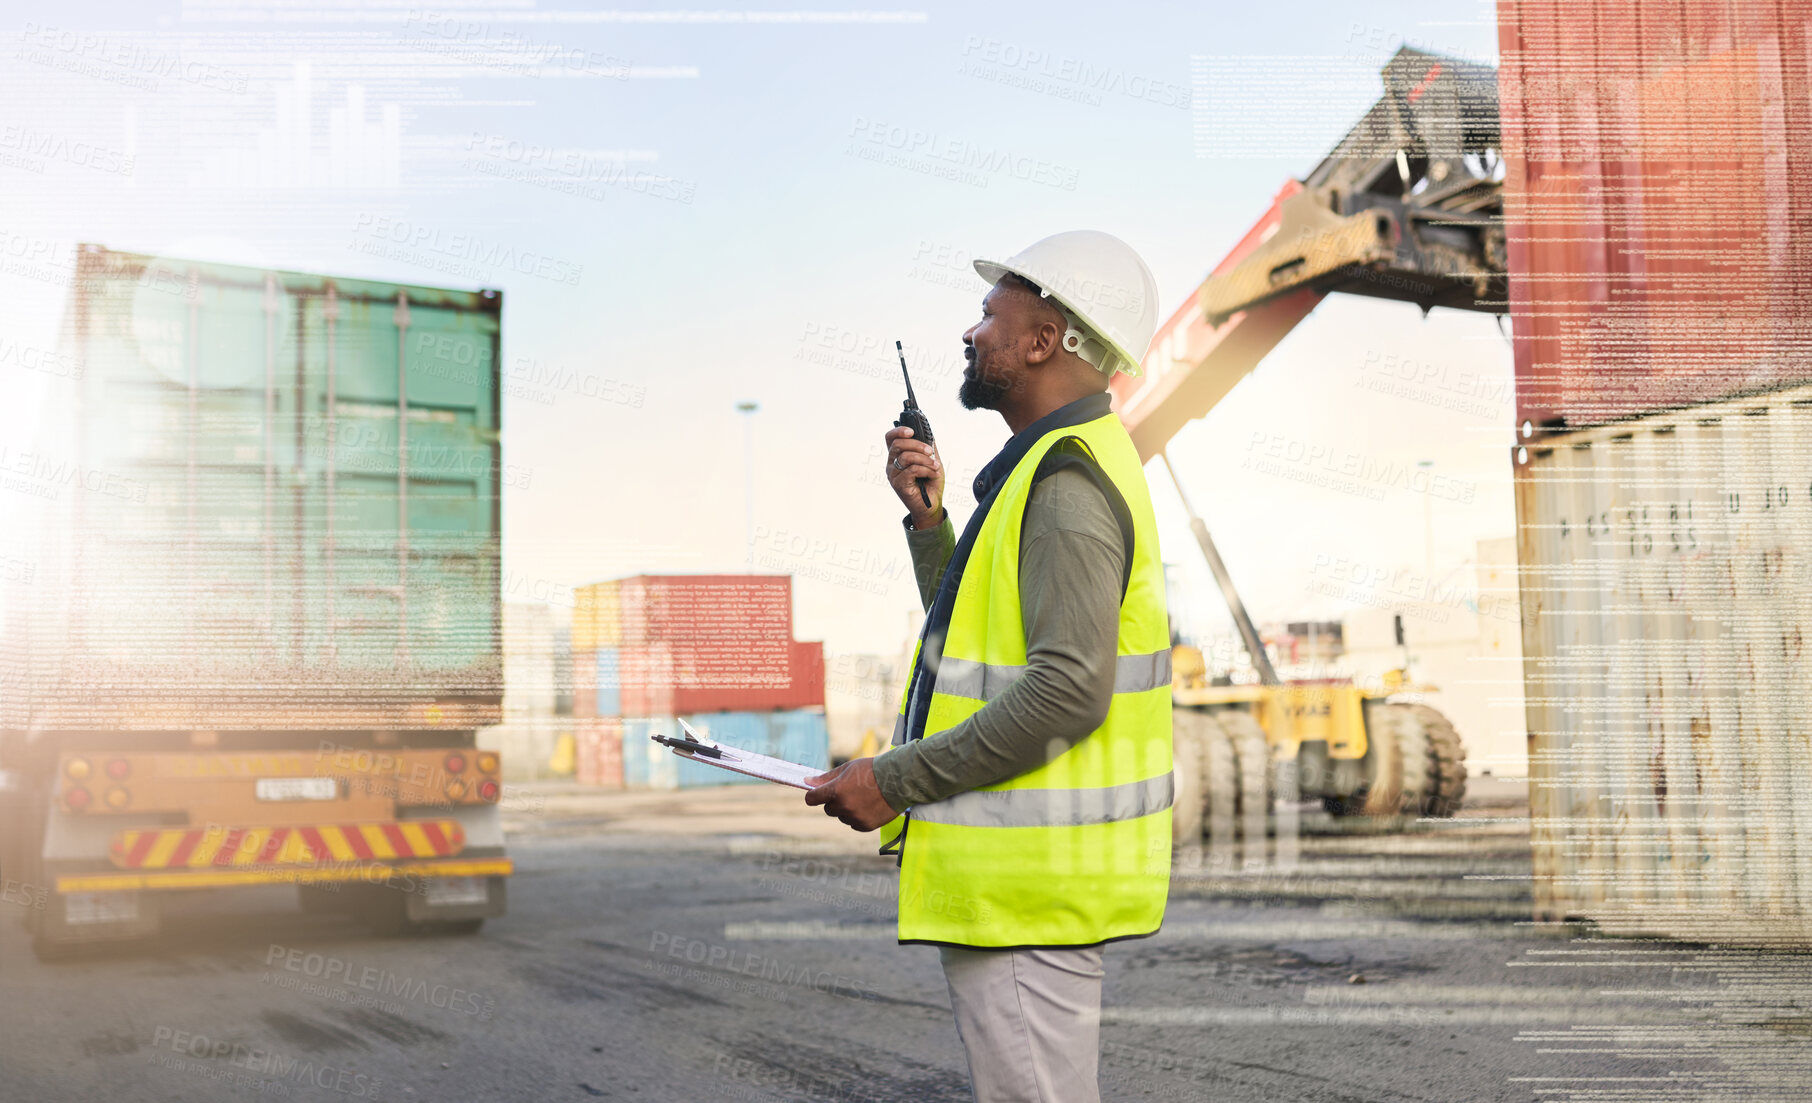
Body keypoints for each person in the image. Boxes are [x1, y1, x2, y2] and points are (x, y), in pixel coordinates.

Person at [806, 231, 1174, 1103]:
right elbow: (982, 643)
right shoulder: (1040, 474)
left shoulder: (1064, 487)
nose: (970, 335)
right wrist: (930, 523)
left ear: (1045, 340)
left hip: (1025, 894)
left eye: (988, 315)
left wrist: (892, 779)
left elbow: (1064, 692)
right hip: (1025, 889)